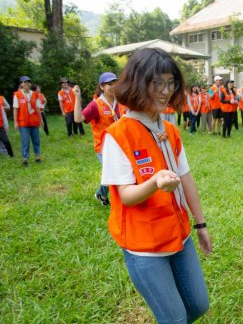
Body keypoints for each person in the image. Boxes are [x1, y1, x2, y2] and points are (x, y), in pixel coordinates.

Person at [101, 47, 212, 323]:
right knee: (174, 319)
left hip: (179, 235)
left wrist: (200, 225)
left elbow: (185, 178)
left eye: (170, 83)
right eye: (157, 83)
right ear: (139, 83)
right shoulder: (118, 134)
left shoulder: (170, 130)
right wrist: (154, 182)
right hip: (145, 247)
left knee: (198, 305)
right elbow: (126, 196)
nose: (165, 91)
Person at [74, 72, 120, 206]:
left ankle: (101, 193)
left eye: (115, 83)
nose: (113, 86)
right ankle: (111, 197)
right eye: (109, 84)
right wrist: (77, 97)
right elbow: (78, 119)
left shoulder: (121, 101)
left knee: (115, 173)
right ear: (101, 87)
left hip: (121, 146)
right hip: (104, 148)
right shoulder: (96, 105)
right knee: (113, 173)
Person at [13, 76, 43, 166]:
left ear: (30, 84)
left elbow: (37, 108)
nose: (26, 83)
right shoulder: (17, 95)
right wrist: (15, 122)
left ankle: (37, 157)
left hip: (34, 121)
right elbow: (15, 109)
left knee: (36, 140)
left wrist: (41, 120)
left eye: (28, 82)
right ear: (21, 84)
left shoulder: (34, 94)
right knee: (25, 141)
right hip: (23, 123)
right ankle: (25, 159)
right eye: (24, 82)